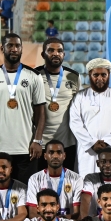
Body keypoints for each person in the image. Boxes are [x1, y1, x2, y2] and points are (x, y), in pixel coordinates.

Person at [0, 33, 46, 182]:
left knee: (25, 194)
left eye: (17, 46)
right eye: (10, 45)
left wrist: (37, 141)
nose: (14, 49)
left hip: (26, 148)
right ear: (2, 48)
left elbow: (41, 113)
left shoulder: (34, 77)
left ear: (22, 49)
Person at [68, 58, 111, 176]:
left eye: (103, 74)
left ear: (109, 75)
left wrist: (107, 142)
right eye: (96, 74)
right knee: (87, 182)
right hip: (88, 151)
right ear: (90, 75)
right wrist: (91, 143)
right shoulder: (80, 97)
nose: (100, 78)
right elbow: (75, 123)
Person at [35, 38, 80, 171]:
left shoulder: (73, 76)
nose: (56, 53)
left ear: (64, 55)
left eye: (59, 51)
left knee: (67, 183)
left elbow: (79, 107)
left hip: (67, 143)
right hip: (41, 143)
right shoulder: (34, 76)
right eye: (51, 50)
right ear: (43, 54)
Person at [26, 141, 83, 219]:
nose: (55, 156)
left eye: (59, 152)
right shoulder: (34, 179)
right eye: (51, 152)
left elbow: (77, 214)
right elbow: (32, 214)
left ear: (64, 156)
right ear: (45, 156)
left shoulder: (76, 178)